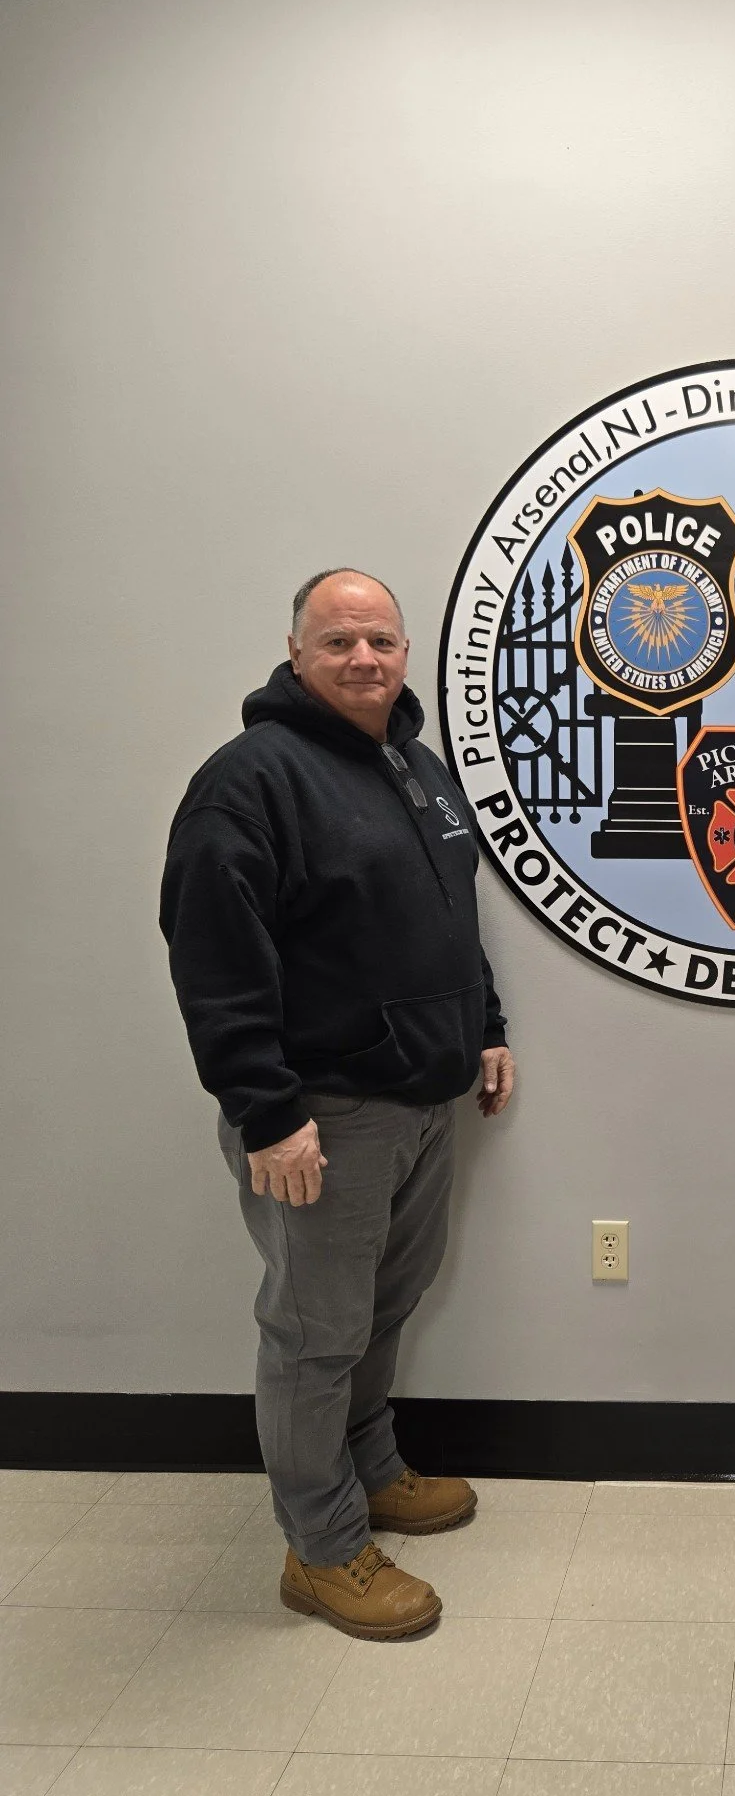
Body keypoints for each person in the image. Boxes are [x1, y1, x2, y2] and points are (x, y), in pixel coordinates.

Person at [160, 569, 515, 1641]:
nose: (364, 657)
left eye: (381, 640)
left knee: (381, 1308)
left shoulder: (416, 766)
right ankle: (319, 1548)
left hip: (423, 1100)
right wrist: (266, 1112)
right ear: (296, 653)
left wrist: (486, 1025)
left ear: (405, 651)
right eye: (339, 640)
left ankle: (370, 1469)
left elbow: (451, 917)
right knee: (315, 1337)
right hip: (321, 1115)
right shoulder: (250, 781)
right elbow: (215, 959)